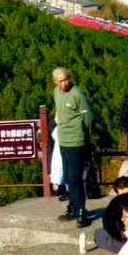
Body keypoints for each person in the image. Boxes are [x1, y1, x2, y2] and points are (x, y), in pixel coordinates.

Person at [52, 66, 94, 225]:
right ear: (55, 82)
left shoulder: (77, 93)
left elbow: (88, 117)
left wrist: (82, 134)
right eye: (60, 81)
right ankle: (73, 207)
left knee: (76, 178)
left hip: (76, 140)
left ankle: (81, 211)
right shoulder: (56, 92)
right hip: (64, 140)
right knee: (69, 177)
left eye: (66, 79)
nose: (64, 83)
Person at [94, 174, 128, 253]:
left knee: (101, 236)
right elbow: (108, 224)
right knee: (101, 233)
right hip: (123, 238)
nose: (124, 198)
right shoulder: (115, 204)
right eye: (121, 196)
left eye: (127, 195)